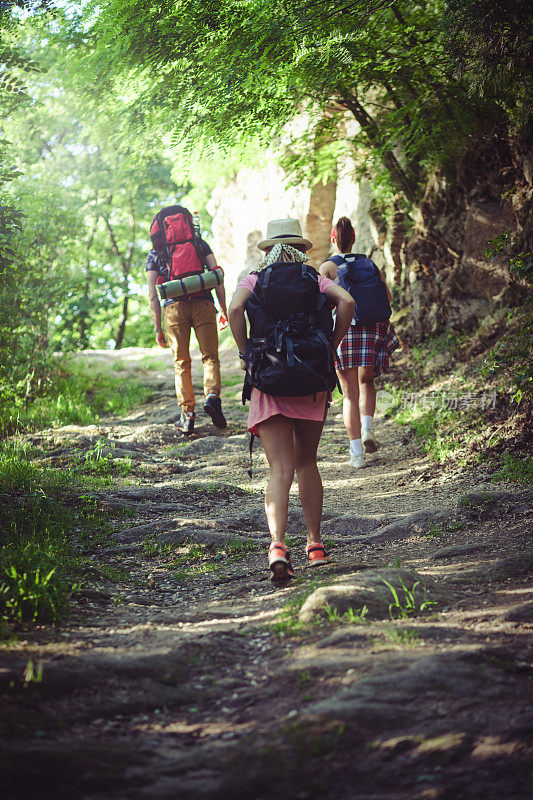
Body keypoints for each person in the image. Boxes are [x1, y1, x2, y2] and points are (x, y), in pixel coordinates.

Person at [229, 219, 354, 580]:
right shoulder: (315, 278)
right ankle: (315, 545)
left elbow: (235, 310)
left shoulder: (254, 278)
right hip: (311, 381)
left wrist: (244, 352)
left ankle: (278, 547)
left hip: (269, 381)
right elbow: (347, 301)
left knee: (280, 469)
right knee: (307, 464)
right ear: (300, 249)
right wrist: (331, 345)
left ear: (268, 250)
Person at [319, 216, 399, 468]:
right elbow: (386, 296)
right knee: (367, 381)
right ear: (353, 238)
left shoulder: (327, 268)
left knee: (350, 393)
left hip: (346, 330)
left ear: (334, 239)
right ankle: (367, 430)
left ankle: (356, 454)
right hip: (374, 328)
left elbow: (324, 306)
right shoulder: (369, 263)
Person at [146, 209, 228, 435]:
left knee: (181, 362)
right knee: (210, 356)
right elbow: (217, 276)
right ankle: (212, 397)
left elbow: (153, 294)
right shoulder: (199, 244)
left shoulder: (156, 253)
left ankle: (188, 415)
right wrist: (223, 309)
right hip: (203, 303)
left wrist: (157, 327)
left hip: (174, 308)